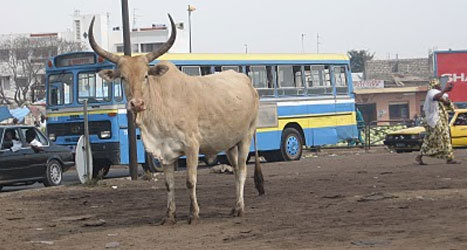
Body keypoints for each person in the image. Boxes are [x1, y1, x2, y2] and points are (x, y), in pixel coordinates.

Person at [415, 79, 460, 165]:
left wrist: (445, 96)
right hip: (435, 121)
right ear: (435, 85)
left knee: (442, 138)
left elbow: (445, 102)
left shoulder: (441, 94)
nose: (440, 86)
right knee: (435, 138)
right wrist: (444, 90)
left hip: (441, 121)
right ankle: (420, 156)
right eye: (438, 85)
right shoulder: (431, 92)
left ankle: (449, 158)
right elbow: (435, 97)